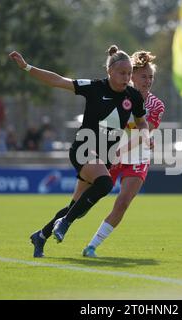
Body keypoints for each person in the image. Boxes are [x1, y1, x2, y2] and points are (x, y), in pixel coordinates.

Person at [9, 45, 149, 257]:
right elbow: (58, 81)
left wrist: (144, 135)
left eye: (129, 73)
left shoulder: (134, 97)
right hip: (83, 149)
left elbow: (142, 123)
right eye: (122, 73)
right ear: (109, 71)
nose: (126, 77)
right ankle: (64, 223)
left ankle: (41, 236)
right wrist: (27, 67)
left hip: (104, 158)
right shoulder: (94, 87)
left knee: (78, 208)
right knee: (105, 184)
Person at [81, 50, 166, 257]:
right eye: (143, 76)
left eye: (151, 77)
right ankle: (61, 223)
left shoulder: (156, 105)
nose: (148, 81)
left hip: (137, 157)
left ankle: (92, 246)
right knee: (84, 204)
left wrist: (122, 150)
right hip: (110, 154)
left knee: (122, 202)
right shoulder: (119, 94)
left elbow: (143, 134)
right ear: (132, 76)